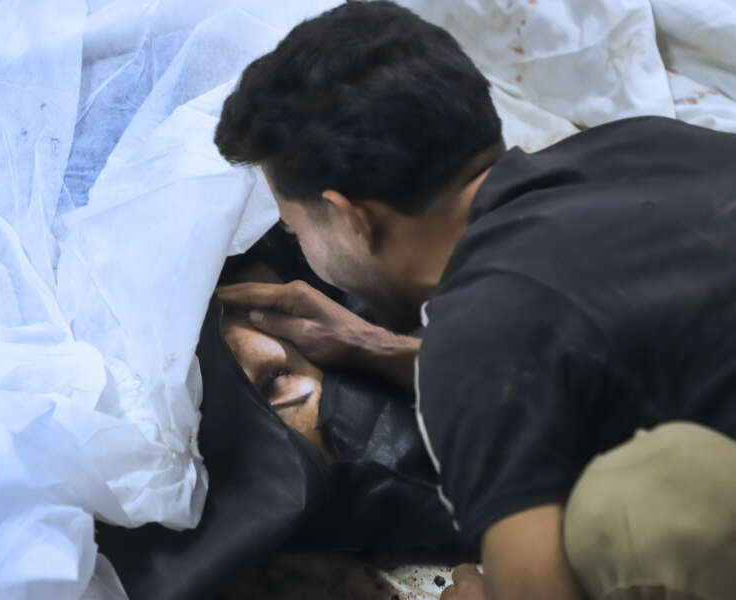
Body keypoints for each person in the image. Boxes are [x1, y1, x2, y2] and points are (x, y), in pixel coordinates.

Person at [213, 2, 736, 599]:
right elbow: (596, 337)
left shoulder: (476, 343)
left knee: (622, 514)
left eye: (293, 229)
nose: (297, 245)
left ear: (349, 217)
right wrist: (381, 349)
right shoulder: (643, 142)